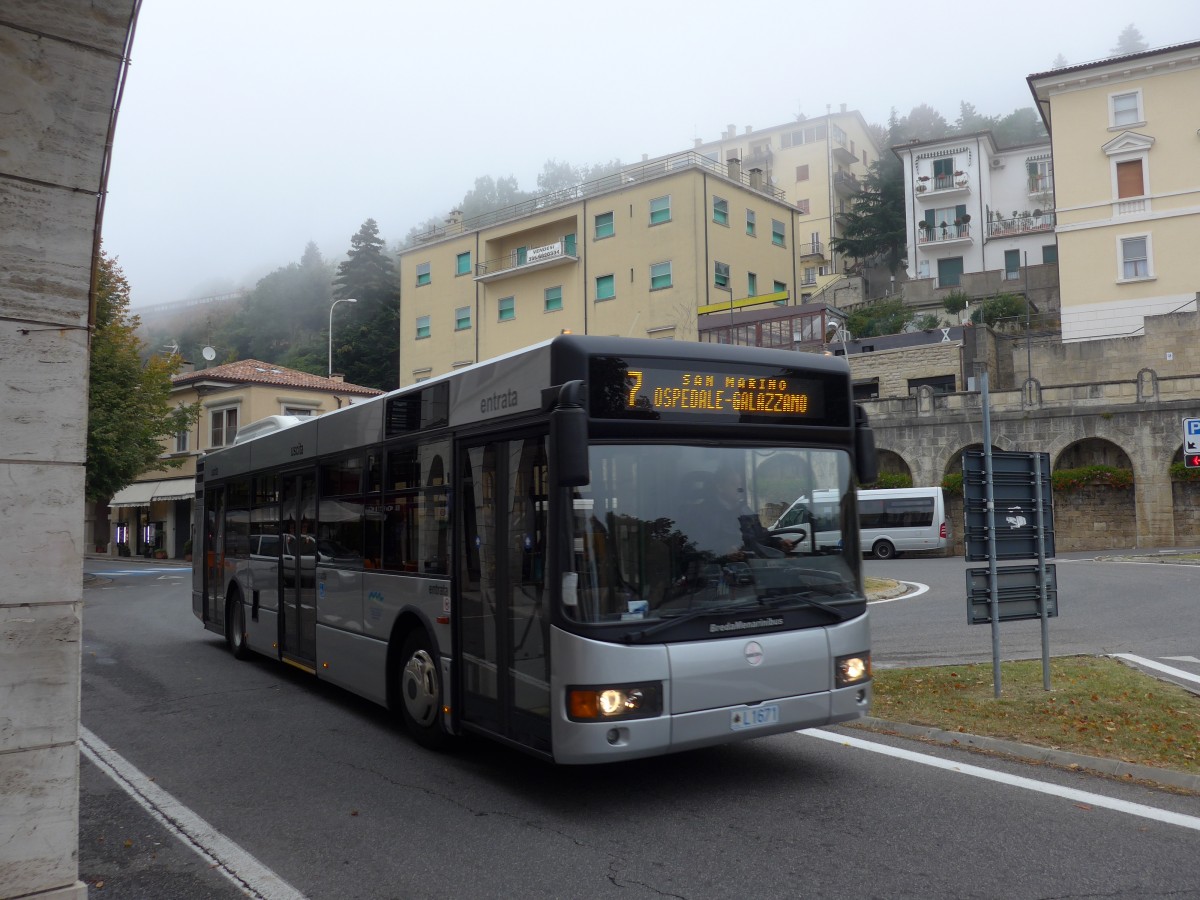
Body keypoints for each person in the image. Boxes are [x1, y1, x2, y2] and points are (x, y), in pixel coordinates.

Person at [691, 464, 798, 560]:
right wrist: (725, 551)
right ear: (720, 487)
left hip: (753, 565)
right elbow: (700, 545)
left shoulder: (745, 510)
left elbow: (761, 537)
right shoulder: (703, 513)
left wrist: (779, 543)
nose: (740, 489)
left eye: (740, 484)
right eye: (733, 484)